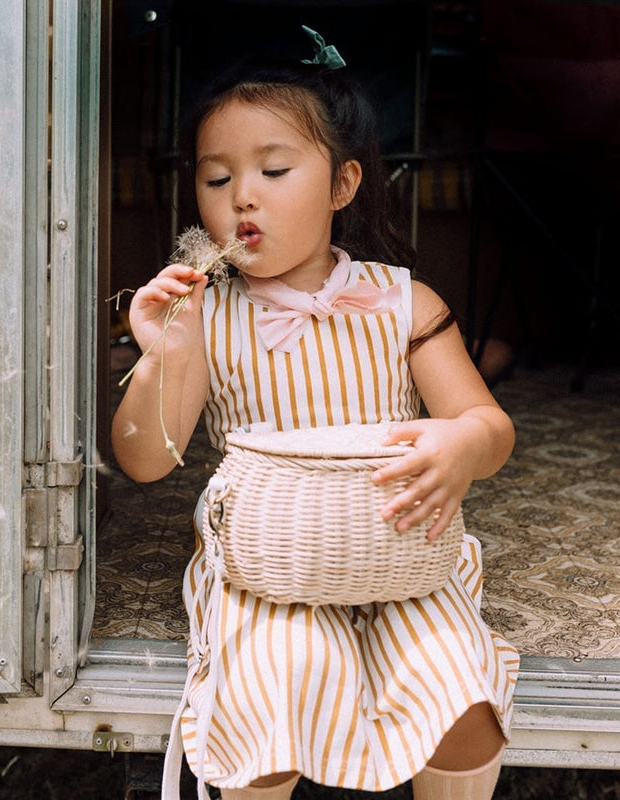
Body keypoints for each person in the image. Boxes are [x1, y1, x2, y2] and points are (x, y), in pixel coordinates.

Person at [112, 28, 519, 800]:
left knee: (461, 699)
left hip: (404, 559)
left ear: (342, 184)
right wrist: (162, 356)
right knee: (281, 684)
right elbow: (146, 459)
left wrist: (465, 443)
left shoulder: (403, 303)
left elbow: (488, 424)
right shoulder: (208, 315)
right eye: (216, 177)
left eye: (273, 169)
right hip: (270, 570)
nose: (241, 196)